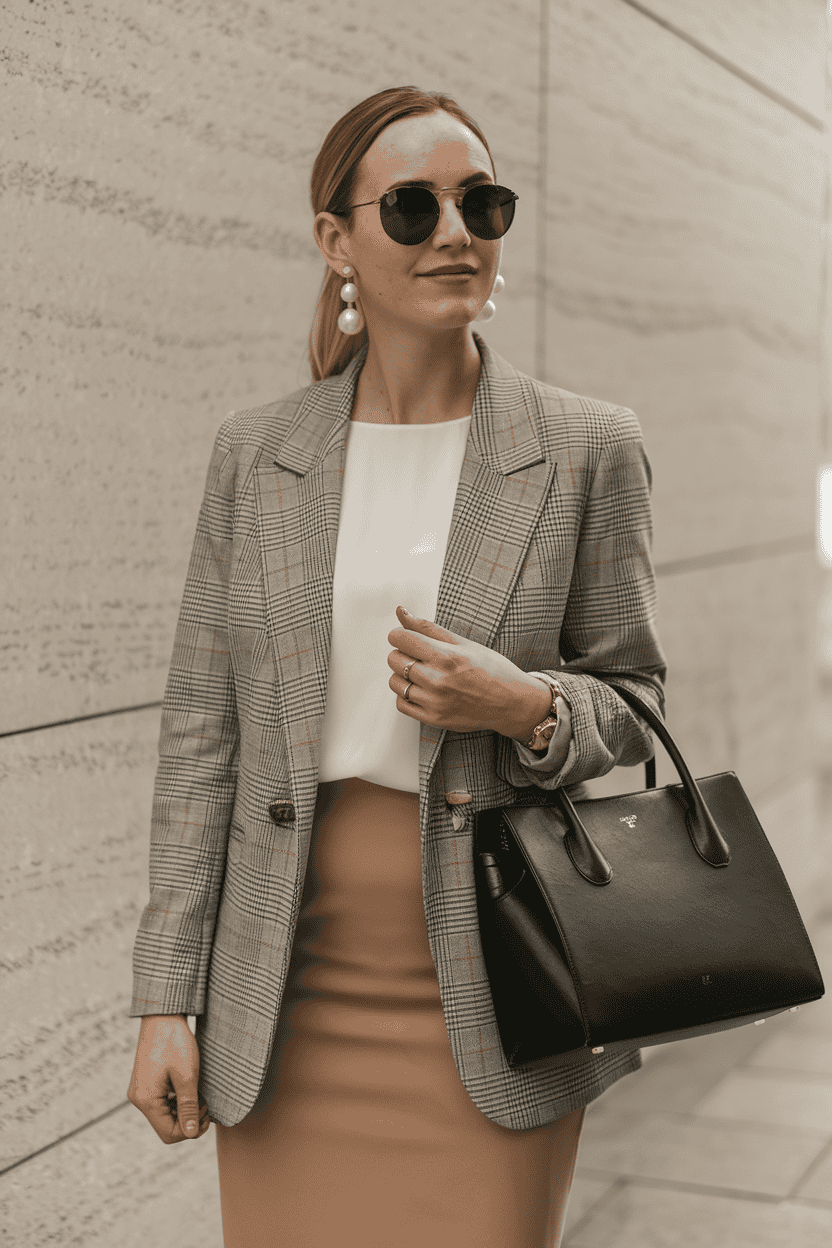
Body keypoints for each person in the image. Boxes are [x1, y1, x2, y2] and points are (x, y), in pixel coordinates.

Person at [126, 86, 666, 1247]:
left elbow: (634, 700)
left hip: (498, 978)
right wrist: (166, 997)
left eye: (482, 202)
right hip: (284, 985)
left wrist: (522, 705)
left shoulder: (585, 448)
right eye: (413, 209)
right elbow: (200, 736)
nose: (456, 230)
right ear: (338, 243)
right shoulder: (258, 453)